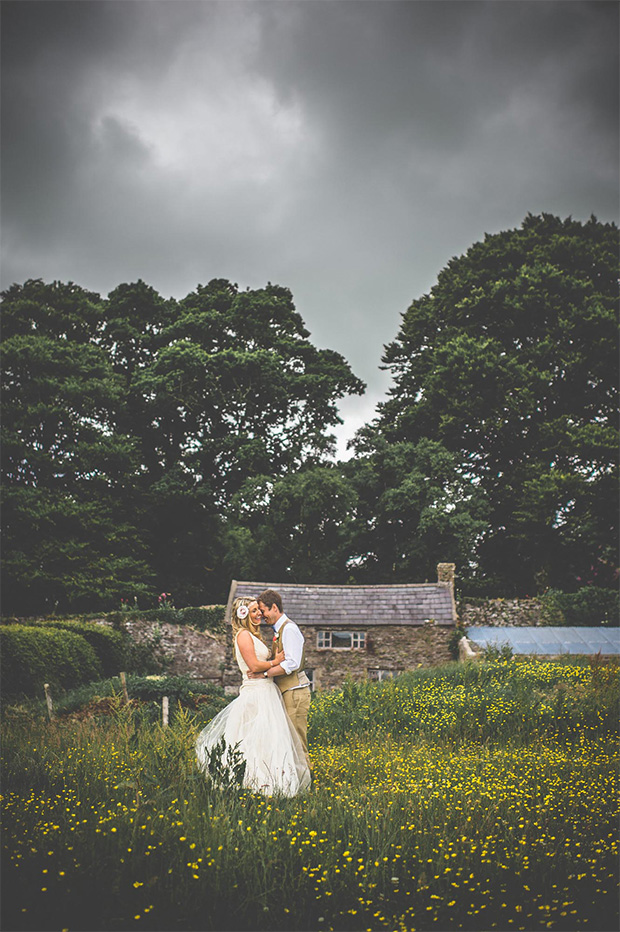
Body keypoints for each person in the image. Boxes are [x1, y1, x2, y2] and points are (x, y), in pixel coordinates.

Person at [195, 597, 310, 796]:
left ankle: (273, 783)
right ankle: (252, 782)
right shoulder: (243, 635)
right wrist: (276, 661)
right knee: (252, 739)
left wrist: (271, 666)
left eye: (259, 610)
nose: (259, 614)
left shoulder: (255, 635)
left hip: (266, 691)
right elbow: (254, 667)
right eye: (254, 611)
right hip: (256, 692)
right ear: (243, 614)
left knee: (268, 740)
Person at [254, 588, 312, 774]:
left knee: (297, 739)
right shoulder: (279, 630)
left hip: (295, 692)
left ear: (274, 608)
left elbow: (292, 663)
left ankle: (307, 782)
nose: (262, 615)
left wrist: (265, 674)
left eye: (263, 610)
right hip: (288, 692)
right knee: (288, 739)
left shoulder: (289, 629)